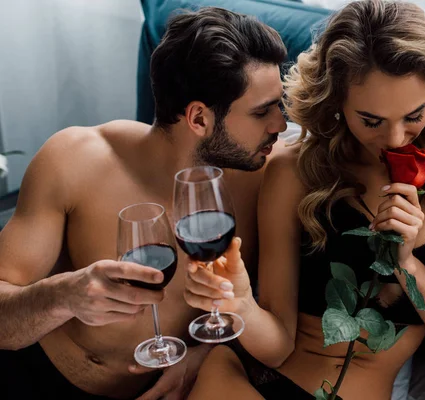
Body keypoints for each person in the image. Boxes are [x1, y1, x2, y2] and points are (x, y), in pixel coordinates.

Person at [183, 1, 425, 399]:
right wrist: (241, 302)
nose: (396, 139)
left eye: (414, 115)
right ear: (337, 104)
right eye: (371, 121)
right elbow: (277, 348)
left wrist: (406, 262)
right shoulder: (294, 173)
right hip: (255, 383)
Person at [0, 7, 288, 400]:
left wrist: (205, 354)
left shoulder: (266, 177)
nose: (281, 125)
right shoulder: (73, 160)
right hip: (37, 378)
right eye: (262, 112)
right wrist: (63, 296)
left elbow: (269, 323)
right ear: (199, 118)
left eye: (280, 104)